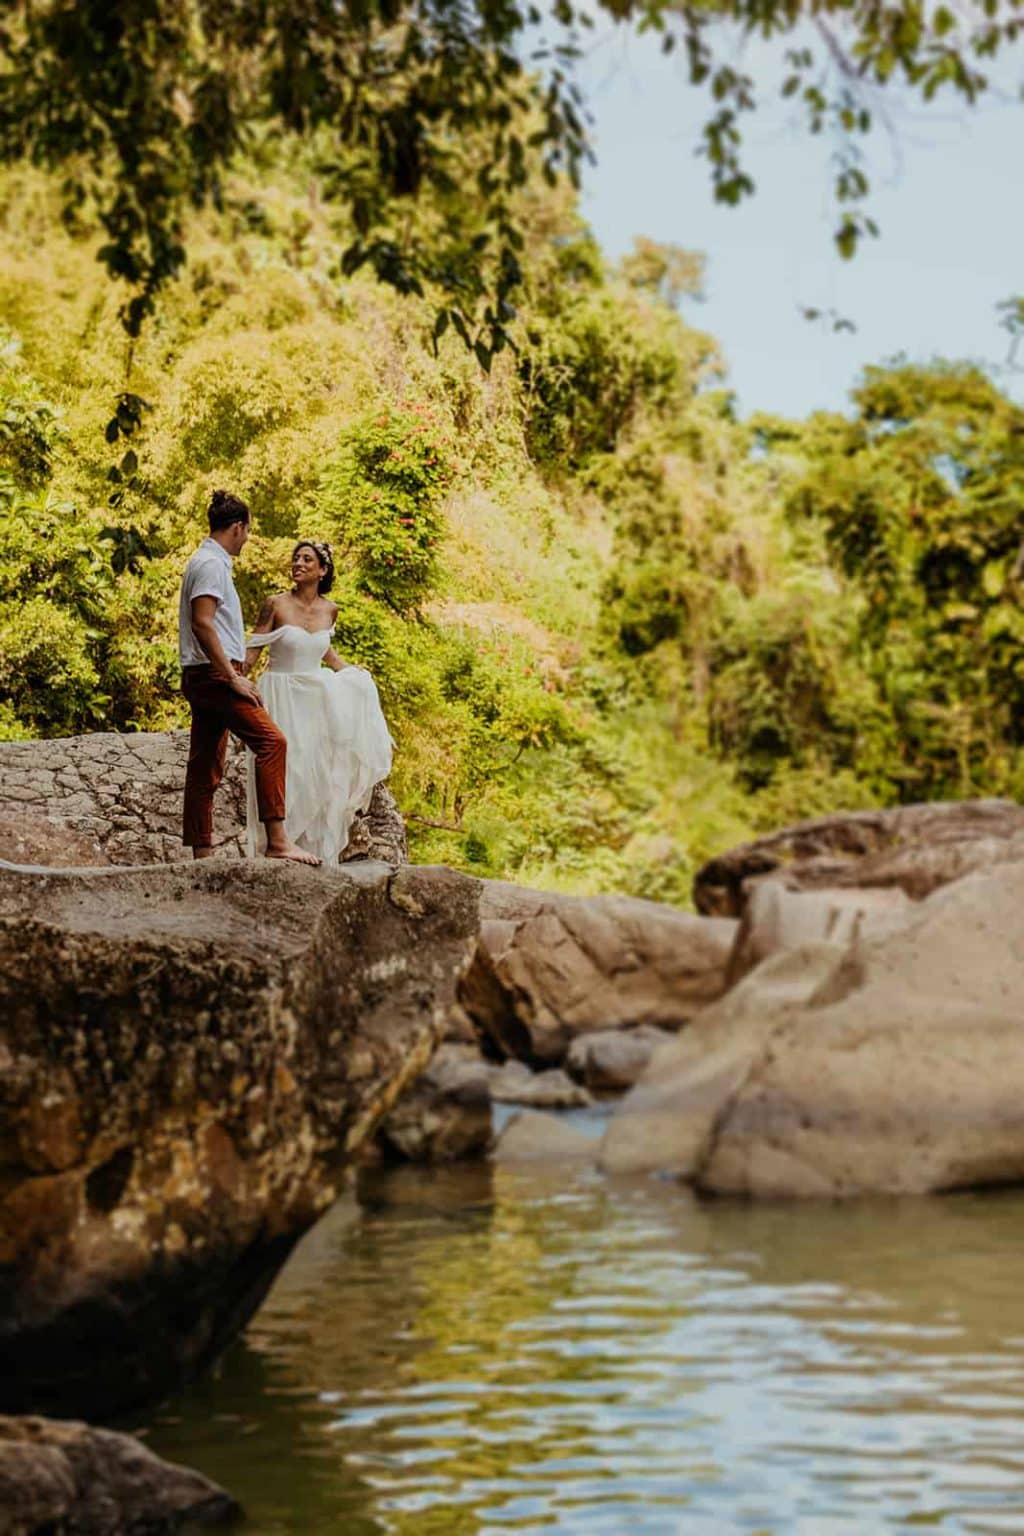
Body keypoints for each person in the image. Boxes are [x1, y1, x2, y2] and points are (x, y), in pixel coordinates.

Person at [179, 490, 320, 865]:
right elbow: (202, 622)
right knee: (273, 742)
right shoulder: (210, 564)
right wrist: (233, 676)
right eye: (248, 531)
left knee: (204, 765)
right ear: (238, 528)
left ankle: (202, 853)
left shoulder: (209, 561)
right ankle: (277, 841)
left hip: (205, 674)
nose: (247, 538)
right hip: (214, 676)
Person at [243, 539, 393, 864]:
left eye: (307, 559)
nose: (298, 563)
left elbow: (324, 652)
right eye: (296, 558)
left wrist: (354, 674)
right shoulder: (275, 604)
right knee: (287, 767)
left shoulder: (330, 609)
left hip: (315, 699)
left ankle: (308, 847)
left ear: (322, 570)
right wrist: (233, 678)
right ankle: (279, 843)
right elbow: (252, 653)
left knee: (317, 771)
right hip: (281, 693)